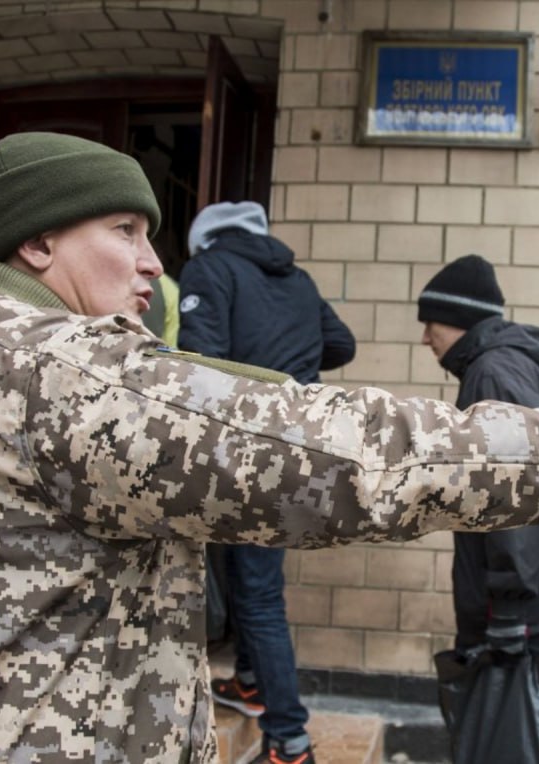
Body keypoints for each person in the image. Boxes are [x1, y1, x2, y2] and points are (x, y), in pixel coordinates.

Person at [0, 131, 539, 764]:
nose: (154, 264)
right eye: (125, 231)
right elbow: (311, 452)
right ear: (34, 242)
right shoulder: (44, 365)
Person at [179, 200, 357, 764]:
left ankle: (290, 739)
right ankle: (252, 682)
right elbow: (343, 344)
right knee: (249, 576)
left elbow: (200, 360)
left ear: (206, 239)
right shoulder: (296, 278)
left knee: (256, 595)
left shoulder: (209, 269)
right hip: (296, 449)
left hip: (244, 451)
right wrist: (292, 366)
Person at [417, 254, 539, 657]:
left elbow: (518, 487)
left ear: (456, 318)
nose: (424, 338)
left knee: (498, 713)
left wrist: (507, 609)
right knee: (509, 713)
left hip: (523, 598)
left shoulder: (492, 373)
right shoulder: (504, 364)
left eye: (428, 323)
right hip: (535, 585)